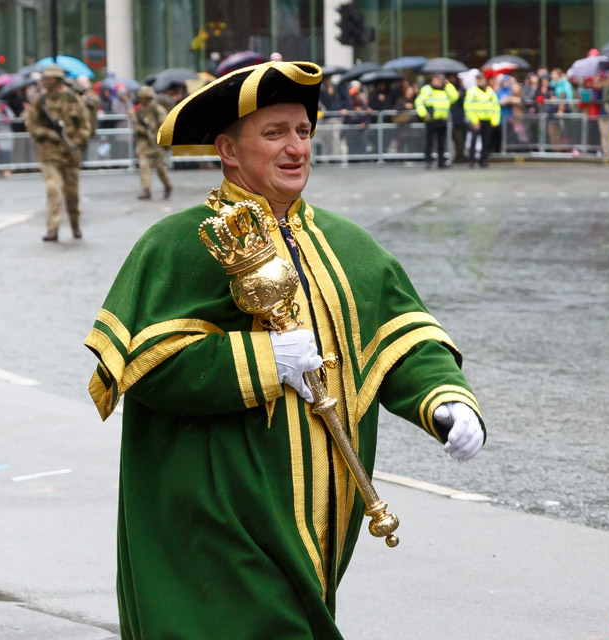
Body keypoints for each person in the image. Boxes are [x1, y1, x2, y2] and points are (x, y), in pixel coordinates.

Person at [84, 60, 485, 639]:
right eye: (274, 134)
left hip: (318, 529)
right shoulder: (177, 243)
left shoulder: (349, 244)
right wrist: (265, 362)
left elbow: (402, 337)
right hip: (216, 517)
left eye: (302, 131)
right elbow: (146, 366)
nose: (296, 148)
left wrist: (445, 400)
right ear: (227, 149)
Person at [23, 65, 90, 241]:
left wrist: (75, 143)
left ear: (56, 79)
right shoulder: (40, 101)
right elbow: (30, 123)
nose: (44, 81)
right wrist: (47, 133)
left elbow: (85, 126)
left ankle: (75, 224)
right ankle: (52, 228)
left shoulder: (72, 99)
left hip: (70, 154)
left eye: (47, 78)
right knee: (53, 189)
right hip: (49, 154)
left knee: (72, 193)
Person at [129, 86, 172, 200]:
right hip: (144, 142)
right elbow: (135, 125)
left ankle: (167, 185)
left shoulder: (158, 110)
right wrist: (142, 129)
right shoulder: (138, 111)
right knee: (144, 166)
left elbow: (165, 125)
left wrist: (159, 136)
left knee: (160, 168)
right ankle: (146, 190)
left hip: (157, 142)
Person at [415, 73, 458, 168]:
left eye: (441, 80)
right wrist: (423, 114)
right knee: (429, 141)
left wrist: (448, 85)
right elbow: (419, 102)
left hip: (442, 119)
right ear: (433, 79)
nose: (440, 82)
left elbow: (454, 97)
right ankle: (428, 161)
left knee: (442, 142)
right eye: (438, 79)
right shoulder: (427, 89)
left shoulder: (445, 89)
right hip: (431, 120)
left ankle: (441, 162)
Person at [464, 70, 500, 167]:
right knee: (473, 141)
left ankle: (483, 160)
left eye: (482, 79)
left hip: (488, 120)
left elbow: (496, 107)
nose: (480, 82)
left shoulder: (491, 92)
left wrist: (495, 120)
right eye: (478, 80)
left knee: (486, 141)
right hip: (477, 120)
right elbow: (468, 107)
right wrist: (474, 120)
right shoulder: (472, 92)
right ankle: (472, 160)